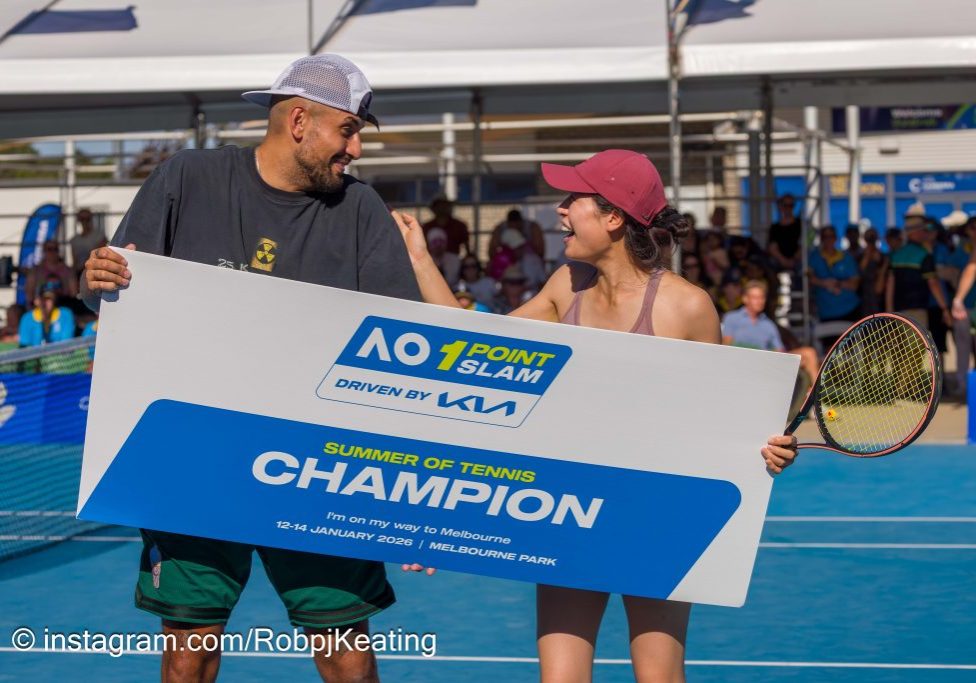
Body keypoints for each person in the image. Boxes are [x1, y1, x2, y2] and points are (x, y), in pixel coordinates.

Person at [81, 54, 430, 683]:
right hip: (196, 458)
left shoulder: (360, 208)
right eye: (348, 130)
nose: (354, 150)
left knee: (346, 653)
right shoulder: (187, 177)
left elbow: (400, 349)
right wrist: (97, 277)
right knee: (188, 652)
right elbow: (117, 287)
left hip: (316, 467)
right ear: (298, 121)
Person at [392, 148, 798, 683]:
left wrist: (767, 448)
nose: (560, 209)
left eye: (573, 199)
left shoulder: (687, 306)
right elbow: (474, 349)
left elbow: (728, 421)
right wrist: (420, 259)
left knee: (658, 677)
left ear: (613, 218)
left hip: (655, 515)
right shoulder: (566, 285)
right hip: (569, 510)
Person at [887, 214, 951, 331]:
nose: (925, 234)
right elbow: (933, 284)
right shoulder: (924, 255)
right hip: (917, 312)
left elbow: (890, 286)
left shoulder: (896, 255)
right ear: (917, 232)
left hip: (898, 312)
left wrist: (889, 311)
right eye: (924, 230)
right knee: (919, 343)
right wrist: (945, 308)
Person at [808, 226, 861, 348]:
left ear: (836, 238)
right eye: (825, 237)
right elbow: (809, 279)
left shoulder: (846, 257)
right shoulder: (814, 257)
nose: (828, 239)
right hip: (826, 312)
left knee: (851, 351)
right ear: (821, 239)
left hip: (849, 311)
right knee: (829, 352)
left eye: (831, 236)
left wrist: (837, 283)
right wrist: (824, 283)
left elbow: (854, 284)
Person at [768, 194, 802, 271]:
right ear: (780, 207)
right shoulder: (775, 227)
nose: (788, 208)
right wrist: (783, 260)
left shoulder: (802, 224)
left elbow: (807, 243)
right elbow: (772, 248)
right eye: (785, 205)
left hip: (798, 260)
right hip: (779, 261)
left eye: (790, 205)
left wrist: (795, 258)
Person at [69, 208, 107, 275]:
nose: (85, 221)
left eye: (87, 219)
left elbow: (100, 255)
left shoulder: (100, 236)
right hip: (80, 273)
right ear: (79, 220)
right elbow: (74, 261)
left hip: (95, 271)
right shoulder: (74, 240)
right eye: (82, 219)